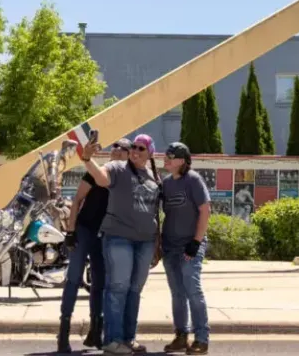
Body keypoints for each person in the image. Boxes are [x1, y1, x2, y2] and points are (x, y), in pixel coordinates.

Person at [77, 133, 161, 356]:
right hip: (118, 237)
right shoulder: (118, 168)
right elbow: (101, 178)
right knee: (118, 288)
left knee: (134, 290)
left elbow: (156, 210)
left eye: (141, 148)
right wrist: (87, 159)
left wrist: (158, 243)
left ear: (150, 153)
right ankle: (112, 341)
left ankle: (128, 338)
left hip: (145, 242)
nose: (135, 151)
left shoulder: (154, 177)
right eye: (133, 146)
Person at [57, 139, 128, 353]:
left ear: (128, 154)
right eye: (114, 146)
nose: (115, 150)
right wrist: (70, 232)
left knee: (100, 283)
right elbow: (77, 200)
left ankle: (95, 331)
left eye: (121, 147)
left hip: (105, 235)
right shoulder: (98, 171)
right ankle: (63, 332)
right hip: (85, 230)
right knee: (74, 278)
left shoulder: (127, 178)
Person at [158, 142, 211, 354]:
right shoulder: (166, 183)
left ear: (182, 161)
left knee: (192, 289)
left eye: (171, 156)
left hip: (190, 245)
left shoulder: (193, 180)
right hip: (170, 246)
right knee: (177, 293)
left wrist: (196, 242)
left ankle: (202, 339)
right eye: (166, 155)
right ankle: (181, 336)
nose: (167, 159)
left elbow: (205, 210)